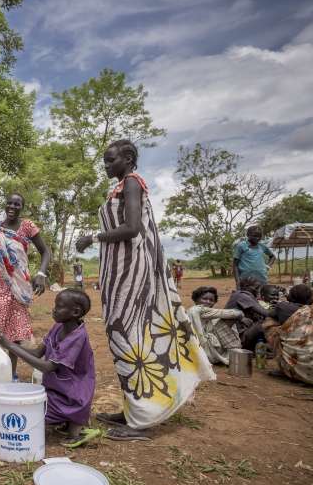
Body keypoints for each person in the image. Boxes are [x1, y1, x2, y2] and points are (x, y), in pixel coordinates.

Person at [76, 139, 214, 441]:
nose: (106, 164)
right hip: (119, 272)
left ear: (127, 158)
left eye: (111, 159)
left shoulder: (133, 184)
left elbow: (133, 228)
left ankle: (142, 419)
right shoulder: (121, 186)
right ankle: (133, 409)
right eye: (105, 160)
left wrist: (94, 238)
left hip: (132, 274)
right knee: (122, 335)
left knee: (130, 335)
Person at [0, 289, 95, 444]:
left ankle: (75, 429)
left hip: (72, 394)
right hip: (58, 388)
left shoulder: (76, 337)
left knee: (34, 414)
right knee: (35, 410)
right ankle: (69, 422)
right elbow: (37, 353)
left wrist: (10, 346)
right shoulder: (58, 327)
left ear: (75, 312)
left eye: (59, 306)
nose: (54, 309)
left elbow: (47, 367)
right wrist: (9, 343)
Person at [0, 193, 51, 380]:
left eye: (17, 204)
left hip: (18, 284)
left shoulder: (28, 226)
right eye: (9, 203)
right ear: (5, 204)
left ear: (21, 207)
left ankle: (11, 373)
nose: (12, 207)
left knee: (15, 330)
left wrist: (41, 274)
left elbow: (46, 251)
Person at [262, 285, 313, 386]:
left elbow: (269, 314)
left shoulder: (282, 307)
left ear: (290, 297)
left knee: (269, 322)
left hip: (296, 371)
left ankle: (286, 366)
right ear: (310, 300)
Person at [186, 286, 243, 365]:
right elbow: (235, 313)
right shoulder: (197, 309)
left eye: (211, 300)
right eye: (204, 299)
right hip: (204, 348)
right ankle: (233, 352)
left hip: (207, 346)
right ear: (196, 300)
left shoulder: (206, 313)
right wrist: (241, 316)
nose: (208, 302)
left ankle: (232, 352)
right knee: (225, 320)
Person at [224, 277, 272, 351]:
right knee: (267, 322)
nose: (258, 290)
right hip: (238, 338)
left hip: (235, 335)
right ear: (251, 288)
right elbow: (266, 313)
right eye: (257, 288)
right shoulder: (242, 296)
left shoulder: (239, 295)